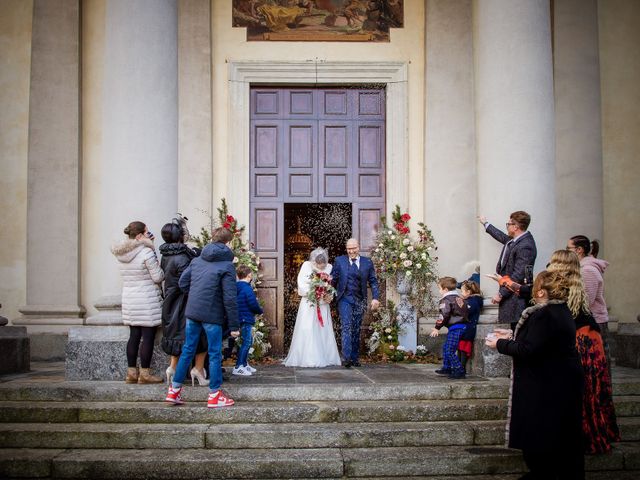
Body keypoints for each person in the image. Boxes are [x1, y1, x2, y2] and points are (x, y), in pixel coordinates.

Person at [486, 270, 585, 479]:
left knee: (541, 440)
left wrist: (500, 344)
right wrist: (512, 336)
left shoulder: (544, 314)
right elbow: (542, 341)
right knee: (556, 439)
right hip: (559, 382)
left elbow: (529, 350)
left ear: (540, 292)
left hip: (545, 386)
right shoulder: (561, 311)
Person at [547, 250, 620, 454]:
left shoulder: (566, 286)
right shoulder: (575, 282)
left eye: (553, 263)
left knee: (584, 391)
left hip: (581, 340)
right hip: (589, 338)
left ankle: (586, 437)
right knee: (592, 391)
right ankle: (595, 434)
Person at [165, 227, 240, 408]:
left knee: (187, 350)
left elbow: (183, 282)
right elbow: (230, 297)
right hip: (212, 314)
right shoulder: (227, 265)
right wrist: (234, 326)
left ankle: (174, 391)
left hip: (193, 312)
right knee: (214, 353)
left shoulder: (198, 260)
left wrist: (196, 297)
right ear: (228, 243)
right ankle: (214, 395)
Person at [111, 221, 164, 384]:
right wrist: (152, 248)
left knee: (134, 336)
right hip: (146, 298)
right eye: (147, 232)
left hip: (129, 298)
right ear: (141, 235)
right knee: (148, 336)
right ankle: (145, 374)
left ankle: (131, 373)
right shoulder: (146, 252)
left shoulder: (121, 254)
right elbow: (157, 277)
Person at [159, 218, 208, 386]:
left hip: (171, 302)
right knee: (198, 337)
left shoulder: (166, 255)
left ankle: (172, 368)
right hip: (184, 302)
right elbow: (188, 280)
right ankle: (198, 370)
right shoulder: (183, 257)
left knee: (176, 336)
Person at [284, 248, 342, 368]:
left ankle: (327, 356)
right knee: (307, 327)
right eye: (318, 265)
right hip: (309, 303)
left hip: (322, 304)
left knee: (323, 328)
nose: (320, 267)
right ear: (314, 261)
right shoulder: (306, 265)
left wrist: (328, 295)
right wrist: (314, 292)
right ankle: (308, 357)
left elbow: (332, 284)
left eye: (322, 265)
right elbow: (301, 283)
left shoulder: (329, 267)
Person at [478, 211, 537, 328]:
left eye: (508, 224)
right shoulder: (514, 240)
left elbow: (518, 275)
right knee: (514, 328)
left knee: (518, 327)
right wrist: (485, 224)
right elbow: (501, 236)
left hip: (517, 297)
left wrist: (501, 294)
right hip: (510, 292)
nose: (507, 226)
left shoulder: (526, 245)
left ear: (516, 227)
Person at [332, 238, 380, 368]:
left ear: (358, 247)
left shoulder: (367, 262)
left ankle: (354, 357)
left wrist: (375, 297)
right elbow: (333, 280)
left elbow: (373, 281)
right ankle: (347, 358)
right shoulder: (339, 261)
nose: (351, 251)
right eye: (349, 249)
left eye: (353, 248)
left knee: (356, 328)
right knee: (347, 326)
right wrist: (326, 292)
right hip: (344, 299)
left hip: (360, 300)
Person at [567, 235, 612, 371]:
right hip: (588, 321)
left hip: (594, 321)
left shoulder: (587, 270)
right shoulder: (582, 268)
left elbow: (586, 301)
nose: (567, 252)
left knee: (597, 364)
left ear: (579, 250)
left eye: (568, 248)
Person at [429, 277, 469, 379]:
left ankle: (459, 370)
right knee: (446, 347)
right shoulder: (459, 298)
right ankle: (447, 368)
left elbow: (444, 314)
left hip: (456, 327)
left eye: (439, 288)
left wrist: (437, 327)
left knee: (450, 350)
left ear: (445, 289)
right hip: (461, 326)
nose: (439, 291)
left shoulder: (446, 300)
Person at [232, 264, 263, 376]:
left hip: (240, 317)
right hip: (246, 317)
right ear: (249, 275)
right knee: (246, 342)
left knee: (247, 341)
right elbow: (252, 303)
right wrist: (260, 311)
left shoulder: (236, 286)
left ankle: (244, 364)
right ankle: (238, 366)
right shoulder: (247, 288)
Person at [458, 280, 483, 374]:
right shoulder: (471, 300)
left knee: (463, 349)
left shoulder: (473, 301)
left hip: (468, 329)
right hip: (465, 328)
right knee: (460, 348)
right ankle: (459, 367)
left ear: (468, 292)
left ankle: (461, 368)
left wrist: (460, 304)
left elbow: (466, 312)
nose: (461, 293)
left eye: (462, 291)